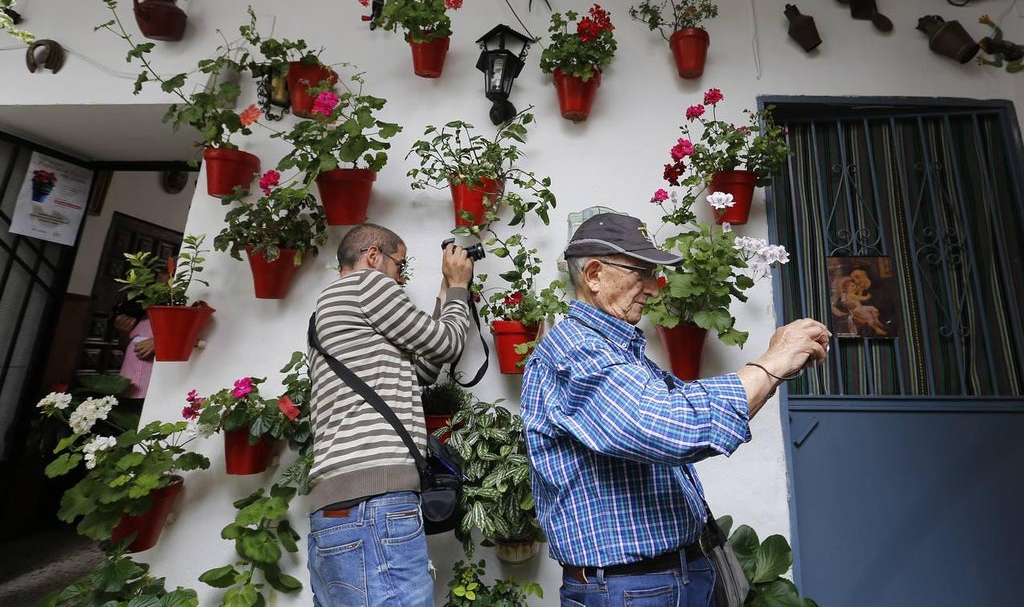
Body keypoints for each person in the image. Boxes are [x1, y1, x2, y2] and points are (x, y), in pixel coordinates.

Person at [521, 212, 831, 606]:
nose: (654, 289)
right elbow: (676, 427)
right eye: (642, 273)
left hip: (662, 582)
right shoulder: (577, 351)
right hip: (633, 590)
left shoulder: (616, 350)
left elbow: (688, 408)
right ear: (594, 274)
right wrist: (771, 362)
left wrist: (776, 371)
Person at [306, 223, 474, 607]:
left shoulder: (326, 314)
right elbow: (447, 344)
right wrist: (459, 286)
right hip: (375, 504)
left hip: (336, 513)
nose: (400, 279)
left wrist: (444, 292)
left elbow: (421, 372)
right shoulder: (368, 284)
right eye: (401, 266)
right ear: (373, 256)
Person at [113, 299, 154, 419]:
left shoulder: (174, 316)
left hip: (149, 392)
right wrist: (123, 333)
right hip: (125, 387)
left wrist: (158, 343)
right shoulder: (138, 316)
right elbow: (125, 348)